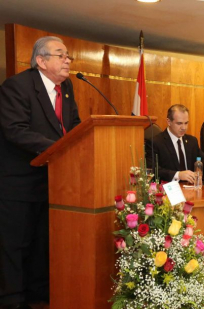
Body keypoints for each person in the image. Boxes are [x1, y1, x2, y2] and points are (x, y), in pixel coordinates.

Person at [0, 36, 81, 309]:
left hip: (54, 183)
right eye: (61, 55)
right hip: (19, 183)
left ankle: (39, 296)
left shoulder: (66, 88)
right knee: (16, 246)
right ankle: (11, 300)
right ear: (41, 61)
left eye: (68, 55)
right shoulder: (16, 86)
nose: (68, 60)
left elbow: (76, 126)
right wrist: (61, 147)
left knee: (42, 245)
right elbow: (15, 130)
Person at [145, 104, 204, 184]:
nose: (184, 127)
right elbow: (153, 170)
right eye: (179, 123)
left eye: (186, 123)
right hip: (169, 189)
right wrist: (178, 175)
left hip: (191, 187)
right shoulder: (156, 142)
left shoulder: (192, 141)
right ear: (169, 122)